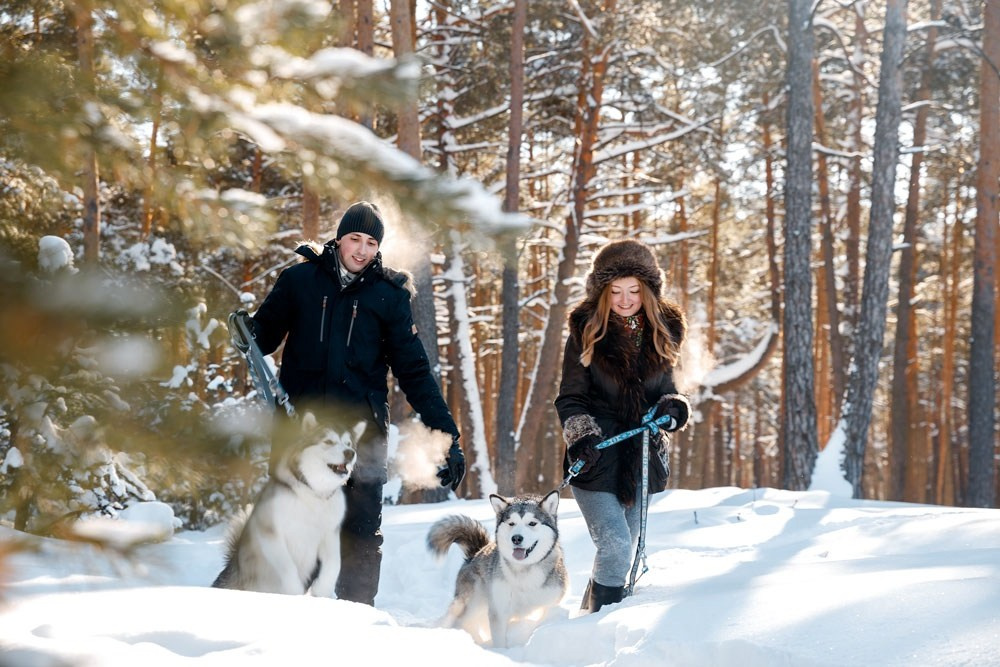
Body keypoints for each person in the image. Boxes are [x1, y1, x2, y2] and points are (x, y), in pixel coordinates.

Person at [233, 200, 465, 606]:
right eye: (354, 239)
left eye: (371, 242)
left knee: (359, 533)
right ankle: (282, 620)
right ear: (339, 238)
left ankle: (357, 624)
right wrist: (247, 330)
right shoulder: (299, 281)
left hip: (362, 436)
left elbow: (415, 373)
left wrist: (447, 437)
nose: (361, 250)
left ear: (379, 247)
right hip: (299, 431)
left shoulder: (389, 296)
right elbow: (263, 338)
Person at [554, 239, 690, 613]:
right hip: (596, 457)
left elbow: (668, 391)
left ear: (648, 291)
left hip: (642, 457)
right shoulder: (586, 332)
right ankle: (600, 625)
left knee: (622, 547)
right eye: (615, 291)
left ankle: (588, 622)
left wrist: (673, 408)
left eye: (634, 290)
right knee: (613, 544)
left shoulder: (663, 331)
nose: (625, 299)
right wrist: (581, 436)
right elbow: (570, 398)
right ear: (602, 291)